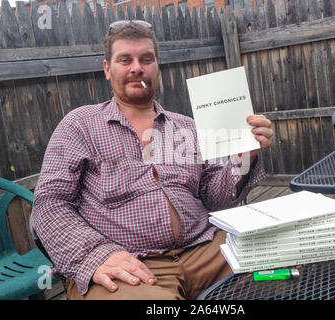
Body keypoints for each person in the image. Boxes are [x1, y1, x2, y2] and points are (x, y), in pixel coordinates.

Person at [31, 20, 274, 300]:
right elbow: (50, 202)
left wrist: (245, 154)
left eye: (146, 59)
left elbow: (215, 199)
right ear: (107, 70)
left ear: (157, 67)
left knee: (293, 265)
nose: (137, 68)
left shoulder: (186, 127)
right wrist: (93, 255)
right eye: (125, 60)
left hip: (207, 250)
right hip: (127, 265)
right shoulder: (79, 125)